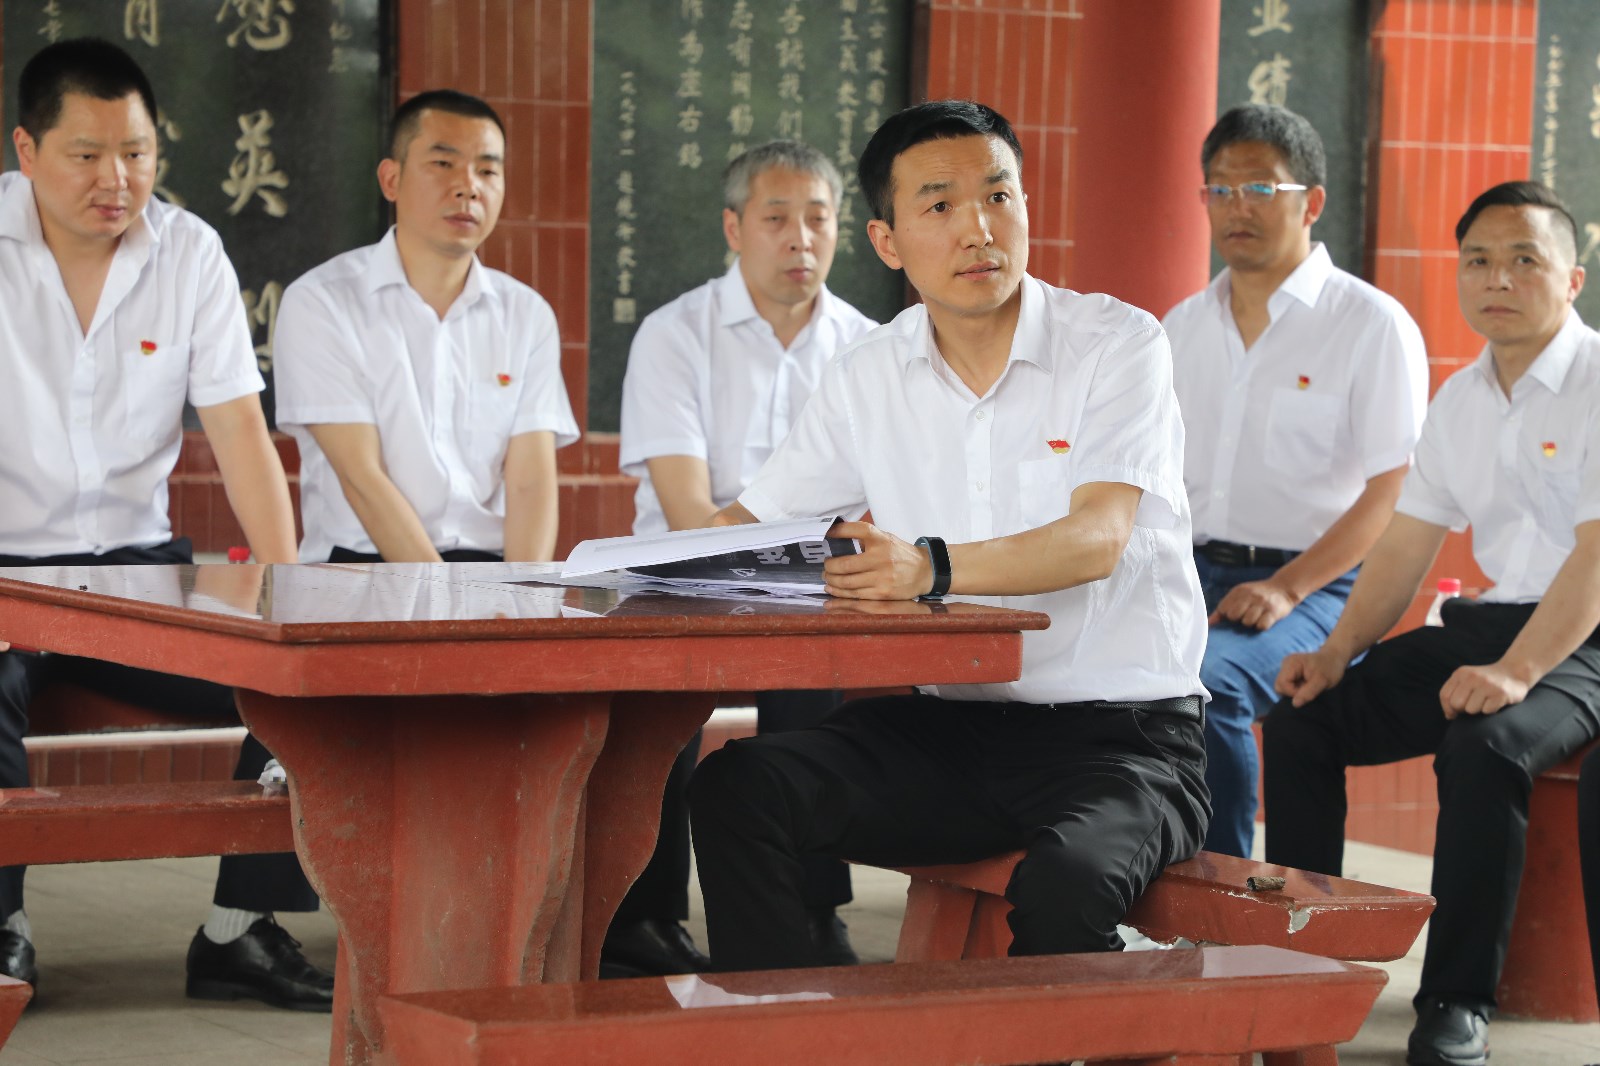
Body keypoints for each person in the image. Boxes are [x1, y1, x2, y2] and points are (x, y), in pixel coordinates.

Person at [686, 100, 1211, 972]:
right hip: (953, 730)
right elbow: (752, 523)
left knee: (1067, 887)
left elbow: (1097, 538)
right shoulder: (870, 373)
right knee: (741, 788)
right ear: (887, 241)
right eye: (939, 205)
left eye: (999, 196)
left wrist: (926, 568)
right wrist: (618, 573)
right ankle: (781, 1027)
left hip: (1124, 741)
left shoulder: (1116, 344)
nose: (979, 229)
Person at [0, 38, 330, 1009]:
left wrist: (290, 600)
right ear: (26, 150)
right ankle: (2, 931)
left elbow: (241, 436)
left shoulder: (187, 252)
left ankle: (237, 931)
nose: (118, 179)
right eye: (87, 154)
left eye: (137, 153)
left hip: (133, 579)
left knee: (304, 682)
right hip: (3, 573)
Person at [1263, 180, 1600, 1066]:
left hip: (1587, 633)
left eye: (1524, 259)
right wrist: (1336, 651)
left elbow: (1596, 558)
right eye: (1478, 260)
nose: (1498, 278)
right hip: (1497, 623)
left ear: (1572, 278)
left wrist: (1518, 673)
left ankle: (1454, 1002)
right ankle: (1305, 967)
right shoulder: (1461, 399)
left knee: (1485, 747)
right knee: (1302, 721)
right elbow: (1407, 542)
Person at [614, 140, 877, 974]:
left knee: (819, 697)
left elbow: (886, 505)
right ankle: (643, 918)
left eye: (818, 218)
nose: (801, 238)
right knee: (661, 711)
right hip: (679, 579)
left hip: (817, 585)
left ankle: (812, 909)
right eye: (777, 218)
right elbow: (688, 514)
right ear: (734, 228)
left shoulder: (870, 345)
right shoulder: (675, 334)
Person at [1162, 103, 1428, 858]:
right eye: (1219, 190)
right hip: (1190, 572)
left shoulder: (1370, 325)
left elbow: (1394, 489)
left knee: (1207, 687)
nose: (1236, 207)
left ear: (1311, 202)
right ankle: (1142, 882)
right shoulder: (1182, 326)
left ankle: (1225, 896)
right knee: (1090, 678)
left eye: (1259, 189)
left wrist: (1287, 588)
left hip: (1319, 586)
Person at [272, 89, 578, 567]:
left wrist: (524, 595)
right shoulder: (322, 301)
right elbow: (361, 478)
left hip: (492, 574)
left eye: (487, 171)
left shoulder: (526, 314)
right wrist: (446, 601)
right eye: (443, 164)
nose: (468, 187)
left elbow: (531, 484)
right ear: (391, 179)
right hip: (362, 570)